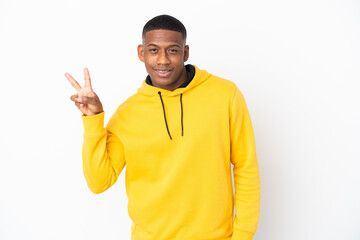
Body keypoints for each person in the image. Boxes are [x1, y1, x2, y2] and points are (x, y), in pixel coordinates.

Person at [65, 14, 260, 240]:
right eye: (154, 50)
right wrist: (93, 120)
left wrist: (243, 235)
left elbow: (246, 168)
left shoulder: (225, 95)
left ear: (185, 53)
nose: (163, 60)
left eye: (173, 50)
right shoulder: (128, 113)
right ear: (142, 53)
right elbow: (99, 182)